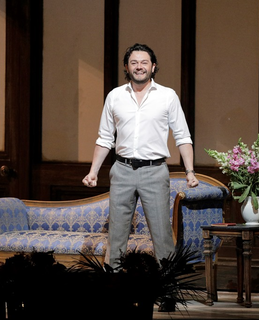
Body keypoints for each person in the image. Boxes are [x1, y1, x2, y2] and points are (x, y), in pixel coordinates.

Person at [82, 43, 199, 270]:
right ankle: (113, 287)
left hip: (154, 171)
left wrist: (190, 171)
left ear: (153, 67)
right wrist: (93, 171)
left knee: (161, 233)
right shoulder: (115, 96)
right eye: (134, 63)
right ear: (126, 67)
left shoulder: (167, 96)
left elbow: (183, 136)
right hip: (122, 170)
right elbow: (105, 138)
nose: (139, 67)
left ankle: (168, 292)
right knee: (116, 233)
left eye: (144, 62)